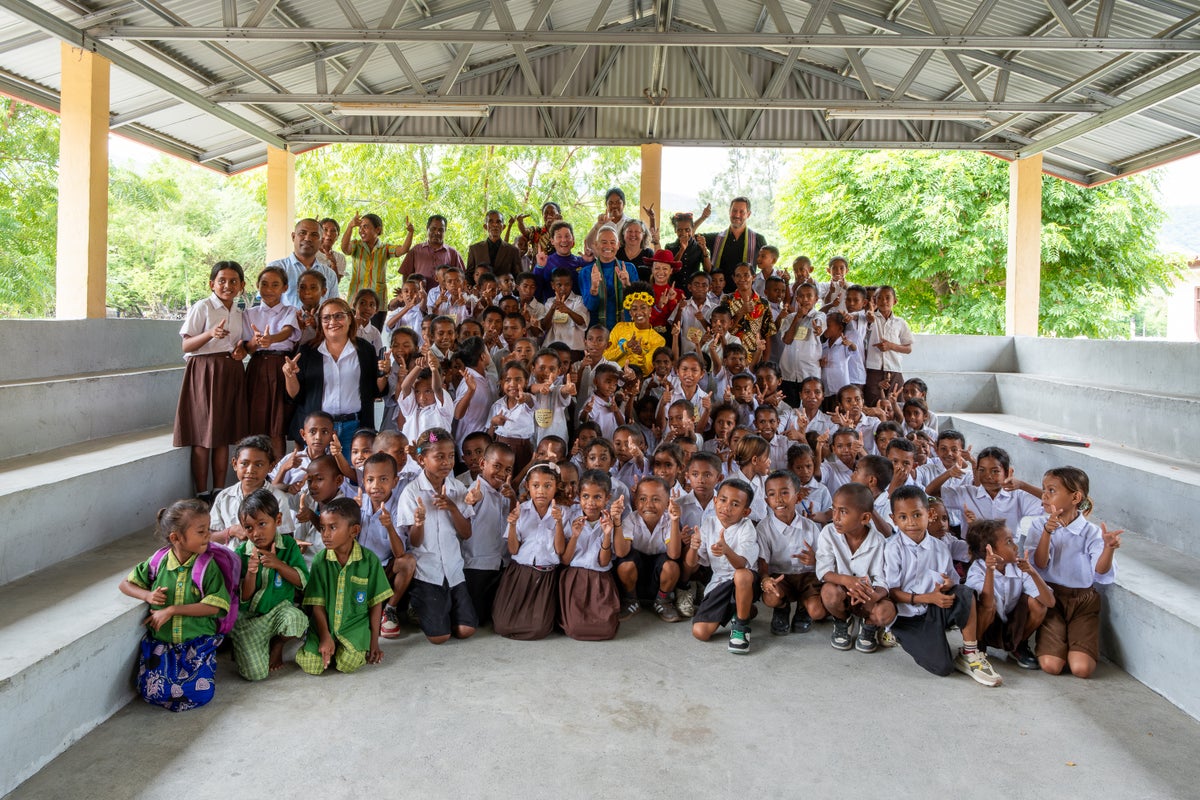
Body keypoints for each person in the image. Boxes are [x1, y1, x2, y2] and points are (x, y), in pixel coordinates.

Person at [118, 499, 230, 710]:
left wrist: (172, 610)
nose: (208, 535)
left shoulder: (207, 566)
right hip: (163, 644)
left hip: (196, 643)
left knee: (200, 692)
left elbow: (216, 606)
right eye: (201, 531)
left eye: (208, 529)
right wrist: (147, 596)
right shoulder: (158, 562)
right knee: (150, 691)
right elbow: (125, 585)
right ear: (176, 538)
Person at [883, 486, 1003, 685]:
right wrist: (927, 598)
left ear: (928, 514)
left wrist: (947, 584)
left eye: (916, 515)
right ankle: (899, 635)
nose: (911, 522)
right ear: (893, 519)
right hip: (907, 618)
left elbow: (952, 582)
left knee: (964, 592)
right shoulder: (892, 549)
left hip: (934, 608)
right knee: (943, 667)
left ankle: (970, 653)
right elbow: (893, 593)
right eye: (903, 517)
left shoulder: (940, 547)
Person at [1030, 467, 1119, 679]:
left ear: (1076, 497)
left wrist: (1109, 548)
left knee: (1082, 669)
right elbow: (1040, 564)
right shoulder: (1038, 525)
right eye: (1044, 489)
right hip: (1051, 597)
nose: (1044, 495)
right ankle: (1057, 645)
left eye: (1051, 490)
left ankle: (1073, 644)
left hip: (1083, 601)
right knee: (1052, 666)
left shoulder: (1092, 532)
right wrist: (1047, 532)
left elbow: (1100, 571)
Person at [395, 428, 477, 645]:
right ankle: (418, 605)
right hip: (427, 572)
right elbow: (414, 542)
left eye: (450, 456)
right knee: (440, 637)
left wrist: (452, 507)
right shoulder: (412, 492)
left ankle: (444, 607)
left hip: (454, 569)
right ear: (421, 459)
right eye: (439, 456)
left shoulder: (457, 488)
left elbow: (466, 533)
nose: (447, 462)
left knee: (466, 630)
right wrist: (419, 522)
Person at [174, 260, 248, 496]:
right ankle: (202, 493)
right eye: (222, 280)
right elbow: (186, 344)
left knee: (223, 434)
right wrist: (210, 334)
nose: (228, 285)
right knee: (204, 434)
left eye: (233, 281)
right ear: (212, 284)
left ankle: (218, 490)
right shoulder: (203, 307)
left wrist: (240, 351)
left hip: (231, 371)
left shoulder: (238, 312)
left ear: (242, 285)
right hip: (205, 372)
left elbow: (241, 344)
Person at [295, 497, 392, 675]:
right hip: (324, 626)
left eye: (332, 527)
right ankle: (323, 647)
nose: (325, 534)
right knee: (311, 666)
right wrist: (325, 637)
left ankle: (341, 651)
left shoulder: (369, 560)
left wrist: (374, 643)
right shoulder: (320, 560)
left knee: (348, 664)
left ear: (354, 530)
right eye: (323, 528)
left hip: (353, 628)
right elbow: (317, 604)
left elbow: (375, 603)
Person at [281, 297, 386, 455]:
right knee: (318, 477)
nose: (332, 322)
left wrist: (383, 373)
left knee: (353, 477)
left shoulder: (365, 350)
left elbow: (375, 391)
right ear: (321, 322)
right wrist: (289, 376)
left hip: (355, 427)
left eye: (339, 316)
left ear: (349, 319)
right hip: (318, 431)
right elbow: (295, 396)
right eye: (326, 317)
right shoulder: (308, 351)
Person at [230, 489, 308, 681]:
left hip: (279, 612)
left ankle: (278, 644)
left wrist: (278, 564)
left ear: (278, 520)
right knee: (255, 674)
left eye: (262, 524)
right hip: (250, 620)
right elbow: (245, 597)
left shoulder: (288, 546)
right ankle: (244, 644)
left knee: (298, 621)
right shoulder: (241, 553)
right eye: (248, 528)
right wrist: (250, 573)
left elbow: (302, 581)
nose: (256, 533)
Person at [965, 518, 1056, 670]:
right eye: (1008, 542)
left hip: (1011, 625)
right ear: (990, 551)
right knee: (988, 603)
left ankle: (1018, 645)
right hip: (985, 626)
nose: (1015, 546)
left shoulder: (1018, 567)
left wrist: (1032, 572)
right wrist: (990, 570)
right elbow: (986, 603)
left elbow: (1050, 602)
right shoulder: (977, 570)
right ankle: (976, 647)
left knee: (1038, 605)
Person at [816, 483, 895, 653]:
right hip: (842, 592)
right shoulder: (828, 533)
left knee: (886, 612)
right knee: (828, 592)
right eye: (834, 509)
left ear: (865, 518)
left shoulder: (878, 541)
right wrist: (847, 581)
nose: (835, 517)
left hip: (868, 596)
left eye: (843, 512)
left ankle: (869, 625)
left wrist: (874, 595)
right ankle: (843, 620)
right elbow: (823, 571)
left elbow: (882, 580)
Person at [685, 478, 760, 654]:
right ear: (715, 501)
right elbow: (691, 564)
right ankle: (742, 608)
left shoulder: (746, 528)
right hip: (720, 581)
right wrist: (693, 548)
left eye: (735, 504)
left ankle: (741, 626)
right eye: (723, 500)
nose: (727, 507)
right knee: (700, 632)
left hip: (746, 581)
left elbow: (741, 564)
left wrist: (726, 550)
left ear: (746, 511)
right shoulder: (709, 523)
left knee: (740, 575)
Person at [493, 464, 566, 640]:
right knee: (502, 625)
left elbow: (560, 550)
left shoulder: (563, 512)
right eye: (536, 485)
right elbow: (513, 549)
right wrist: (511, 524)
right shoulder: (521, 510)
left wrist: (558, 523)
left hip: (545, 576)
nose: (541, 491)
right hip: (519, 573)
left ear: (556, 487)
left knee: (539, 629)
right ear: (528, 486)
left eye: (548, 485)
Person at [757, 470, 825, 635]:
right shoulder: (763, 528)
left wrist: (815, 561)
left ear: (798, 497)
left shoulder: (811, 527)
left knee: (817, 612)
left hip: (807, 577)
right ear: (767, 500)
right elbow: (763, 562)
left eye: (785, 492)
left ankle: (803, 607)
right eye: (772, 494)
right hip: (780, 578)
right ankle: (782, 607)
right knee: (771, 597)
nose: (778, 499)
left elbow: (824, 559)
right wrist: (766, 580)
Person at [243, 266, 300, 462]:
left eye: (275, 285)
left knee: (277, 426)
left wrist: (271, 339)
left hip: (280, 368)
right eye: (264, 284)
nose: (269, 289)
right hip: (257, 368)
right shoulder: (249, 314)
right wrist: (255, 342)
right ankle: (254, 471)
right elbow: (247, 347)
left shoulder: (290, 310)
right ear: (257, 286)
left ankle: (277, 475)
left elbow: (286, 332)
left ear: (284, 288)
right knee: (255, 421)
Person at [558, 470, 623, 641]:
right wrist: (574, 535)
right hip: (574, 578)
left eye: (597, 497)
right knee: (574, 628)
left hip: (601, 579)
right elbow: (565, 559)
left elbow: (603, 562)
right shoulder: (571, 515)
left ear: (607, 498)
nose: (591, 503)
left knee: (606, 628)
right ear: (579, 496)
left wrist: (607, 534)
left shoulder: (609, 520)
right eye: (585, 496)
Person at [461, 442, 517, 624]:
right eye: (497, 466)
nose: (502, 473)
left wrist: (513, 498)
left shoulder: (505, 492)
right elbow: (471, 502)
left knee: (496, 615)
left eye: (507, 469)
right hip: (477, 566)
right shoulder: (476, 490)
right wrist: (472, 500)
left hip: (501, 564)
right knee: (477, 619)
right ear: (483, 463)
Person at [209, 435, 296, 544]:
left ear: (271, 467)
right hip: (228, 559)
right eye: (244, 464)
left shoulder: (278, 498)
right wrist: (231, 531)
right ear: (235, 464)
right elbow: (210, 537)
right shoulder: (224, 497)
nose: (250, 470)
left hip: (264, 559)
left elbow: (286, 538)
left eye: (259, 464)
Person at [341, 212, 412, 307]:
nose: (361, 230)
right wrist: (350, 226)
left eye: (365, 227)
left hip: (378, 304)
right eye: (360, 227)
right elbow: (344, 248)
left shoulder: (385, 249)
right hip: (356, 302)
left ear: (377, 229)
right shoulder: (356, 245)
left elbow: (403, 250)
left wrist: (410, 233)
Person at [863, 286, 913, 407]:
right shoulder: (870, 318)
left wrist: (891, 346)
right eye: (879, 298)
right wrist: (869, 320)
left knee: (896, 404)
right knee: (873, 404)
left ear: (895, 301)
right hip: (873, 369)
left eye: (887, 298)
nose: (884, 301)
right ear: (875, 300)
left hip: (894, 368)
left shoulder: (900, 322)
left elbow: (908, 348)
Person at [272, 218, 339, 308]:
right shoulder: (275, 269)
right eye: (302, 233)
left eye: (314, 235)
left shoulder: (329, 274)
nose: (308, 238)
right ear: (293, 237)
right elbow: (267, 309)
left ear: (321, 241)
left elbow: (333, 308)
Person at [580, 225, 637, 329]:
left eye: (612, 242)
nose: (608, 246)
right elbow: (590, 307)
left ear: (618, 245)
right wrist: (594, 288)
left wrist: (627, 285)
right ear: (596, 245)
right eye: (604, 242)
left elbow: (636, 304)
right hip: (597, 332)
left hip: (626, 328)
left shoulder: (629, 268)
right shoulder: (586, 272)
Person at [603, 282, 665, 377]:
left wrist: (640, 353)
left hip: (637, 384)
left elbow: (647, 370)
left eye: (643, 308)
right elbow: (606, 356)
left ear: (650, 310)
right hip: (613, 379)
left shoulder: (658, 340)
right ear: (630, 313)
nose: (639, 312)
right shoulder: (620, 327)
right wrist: (626, 346)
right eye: (634, 309)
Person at [702, 197, 768, 286]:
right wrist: (703, 218)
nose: (737, 215)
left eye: (742, 212)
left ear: (748, 214)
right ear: (729, 212)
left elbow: (767, 267)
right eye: (734, 211)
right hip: (718, 295)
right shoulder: (716, 238)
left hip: (746, 295)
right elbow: (688, 236)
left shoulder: (758, 239)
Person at [725, 262, 775, 364]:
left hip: (755, 358)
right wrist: (740, 313)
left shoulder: (763, 303)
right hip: (731, 357)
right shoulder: (726, 300)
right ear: (734, 279)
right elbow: (723, 329)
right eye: (738, 276)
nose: (742, 279)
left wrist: (765, 362)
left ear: (754, 277)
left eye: (746, 275)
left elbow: (768, 334)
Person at [398, 214, 465, 286]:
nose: (437, 233)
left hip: (445, 296)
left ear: (445, 231)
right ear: (427, 228)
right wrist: (404, 290)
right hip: (419, 295)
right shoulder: (416, 250)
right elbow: (405, 273)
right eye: (433, 229)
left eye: (441, 230)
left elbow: (462, 276)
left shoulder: (452, 253)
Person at [466, 210, 522, 282]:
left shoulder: (513, 251)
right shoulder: (475, 249)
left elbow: (519, 278)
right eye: (491, 221)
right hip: (480, 292)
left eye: (498, 222)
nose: (495, 225)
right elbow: (469, 275)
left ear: (503, 227)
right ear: (485, 226)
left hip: (505, 292)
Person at [665, 208, 712, 287]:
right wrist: (682, 250)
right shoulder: (669, 247)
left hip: (694, 291)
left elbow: (708, 270)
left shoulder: (698, 246)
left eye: (687, 230)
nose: (684, 233)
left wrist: (704, 249)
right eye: (679, 230)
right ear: (675, 230)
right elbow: (671, 270)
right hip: (674, 290)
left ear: (692, 229)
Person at [584, 187, 635, 253]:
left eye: (618, 202)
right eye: (610, 203)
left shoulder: (631, 224)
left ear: (624, 204)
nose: (614, 206)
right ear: (606, 205)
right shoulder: (601, 224)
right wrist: (597, 226)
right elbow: (589, 245)